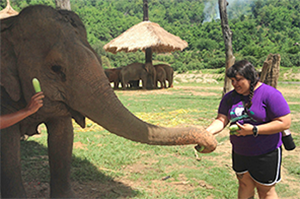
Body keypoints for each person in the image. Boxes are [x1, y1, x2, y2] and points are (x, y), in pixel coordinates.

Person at [206, 60, 291, 199]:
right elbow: (222, 119)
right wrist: (207, 132)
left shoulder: (270, 94)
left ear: (251, 78)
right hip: (240, 151)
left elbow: (285, 122)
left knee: (265, 190)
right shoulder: (230, 97)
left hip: (266, 152)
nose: (234, 84)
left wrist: (254, 130)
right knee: (244, 185)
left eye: (238, 80)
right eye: (232, 80)